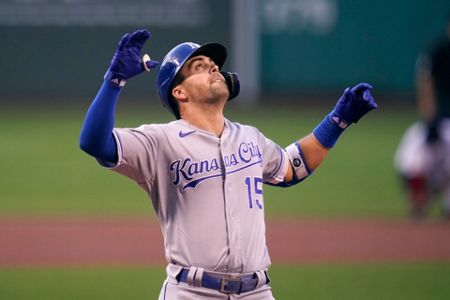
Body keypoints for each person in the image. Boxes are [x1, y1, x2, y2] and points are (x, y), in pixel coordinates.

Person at [79, 29, 377, 299]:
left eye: (214, 65)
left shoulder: (249, 137)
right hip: (191, 292)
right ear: (179, 92)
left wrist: (338, 121)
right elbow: (94, 142)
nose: (213, 67)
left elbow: (291, 167)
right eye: (199, 67)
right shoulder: (159, 141)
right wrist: (114, 81)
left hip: (257, 292)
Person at [394, 16, 450, 219]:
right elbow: (424, 79)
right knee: (411, 157)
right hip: (438, 120)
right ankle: (418, 201)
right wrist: (430, 116)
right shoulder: (440, 48)